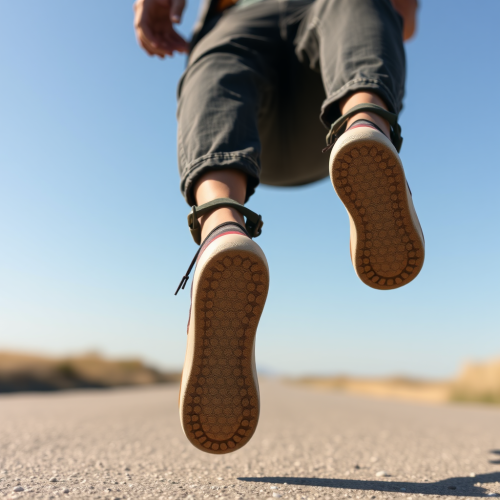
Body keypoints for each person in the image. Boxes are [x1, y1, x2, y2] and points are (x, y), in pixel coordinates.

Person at [133, 0, 424, 454]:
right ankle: (364, 127)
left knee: (220, 60)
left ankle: (222, 222)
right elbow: (404, 23)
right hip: (274, 111)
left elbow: (403, 19)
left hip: (321, 97)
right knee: (220, 55)